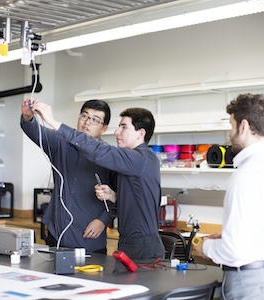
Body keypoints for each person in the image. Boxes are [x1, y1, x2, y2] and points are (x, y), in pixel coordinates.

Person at [30, 100, 165, 260]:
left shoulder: (139, 158)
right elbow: (134, 201)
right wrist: (112, 195)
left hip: (142, 246)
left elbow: (99, 150)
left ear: (140, 133)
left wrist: (52, 121)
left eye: (124, 127)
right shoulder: (132, 161)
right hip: (129, 243)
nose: (117, 132)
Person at [195, 93, 264, 300]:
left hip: (251, 282)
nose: (230, 133)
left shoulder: (246, 175)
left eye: (232, 126)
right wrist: (229, 235)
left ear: (243, 127)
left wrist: (205, 246)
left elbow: (234, 251)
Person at [20, 99, 117, 254]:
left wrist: (103, 220)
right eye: (84, 116)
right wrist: (27, 117)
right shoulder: (60, 142)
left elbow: (119, 198)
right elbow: (35, 131)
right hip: (56, 234)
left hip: (89, 238)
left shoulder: (109, 156)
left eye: (95, 120)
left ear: (104, 128)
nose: (87, 122)